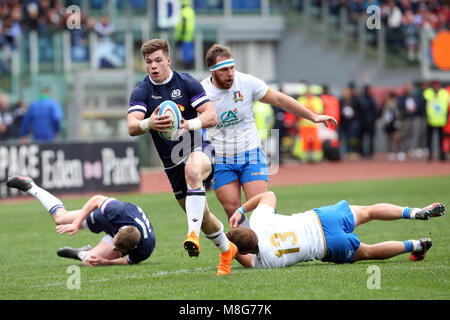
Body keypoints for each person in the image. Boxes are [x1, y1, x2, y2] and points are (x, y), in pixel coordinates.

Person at [126, 39, 237, 275]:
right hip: (171, 163)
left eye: (157, 61)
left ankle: (192, 235)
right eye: (148, 62)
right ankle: (227, 250)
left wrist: (190, 124)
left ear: (168, 61)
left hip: (200, 148)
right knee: (203, 215)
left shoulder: (186, 82)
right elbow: (132, 126)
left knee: (194, 170)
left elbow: (211, 116)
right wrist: (149, 122)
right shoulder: (142, 90)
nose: (153, 66)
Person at [200, 44, 337, 226]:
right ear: (212, 71)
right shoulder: (201, 91)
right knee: (233, 210)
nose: (230, 73)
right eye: (224, 69)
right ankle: (251, 254)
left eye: (232, 67)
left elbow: (280, 99)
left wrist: (313, 116)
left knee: (260, 209)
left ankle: (274, 245)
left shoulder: (247, 82)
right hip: (222, 158)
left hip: (251, 153)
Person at [223, 191, 445, 270]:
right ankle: (414, 211)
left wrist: (226, 247)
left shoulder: (265, 261)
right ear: (248, 227)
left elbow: (245, 260)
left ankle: (417, 245)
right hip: (322, 218)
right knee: (369, 211)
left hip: (327, 246)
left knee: (367, 252)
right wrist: (242, 210)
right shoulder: (260, 220)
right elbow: (268, 195)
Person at [6, 175, 156, 266]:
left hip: (122, 229)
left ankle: (81, 253)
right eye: (115, 245)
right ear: (118, 232)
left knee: (90, 262)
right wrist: (76, 223)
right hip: (108, 220)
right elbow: (96, 199)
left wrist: (106, 262)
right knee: (61, 219)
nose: (114, 248)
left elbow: (128, 261)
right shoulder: (116, 211)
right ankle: (31, 186)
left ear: (134, 248)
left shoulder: (145, 249)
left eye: (118, 249)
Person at [423, 80, 449, 161]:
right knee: (429, 139)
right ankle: (430, 156)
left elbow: (447, 105)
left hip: (441, 120)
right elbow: (423, 103)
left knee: (441, 139)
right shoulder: (428, 93)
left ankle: (442, 155)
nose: (436, 86)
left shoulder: (444, 93)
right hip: (430, 120)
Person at [173, 0, 196, 69]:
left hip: (183, 36)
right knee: (189, 52)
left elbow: (183, 25)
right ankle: (189, 65)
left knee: (185, 53)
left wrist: (180, 37)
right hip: (190, 36)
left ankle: (186, 67)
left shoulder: (183, 12)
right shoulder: (191, 11)